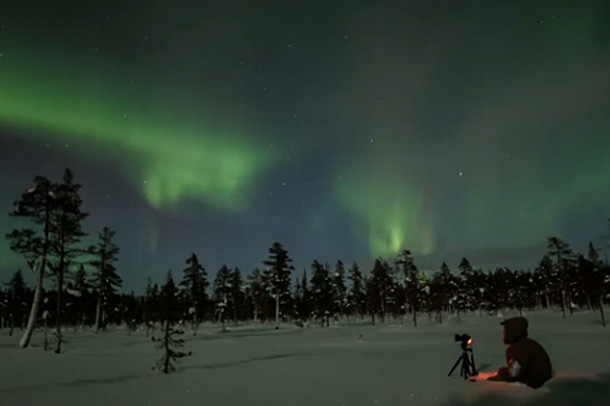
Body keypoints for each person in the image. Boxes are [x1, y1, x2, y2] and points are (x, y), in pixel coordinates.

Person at [487, 316, 553, 389]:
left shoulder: (518, 348)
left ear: (512, 332)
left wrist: (502, 372)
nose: (503, 333)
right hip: (537, 381)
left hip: (532, 385)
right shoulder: (527, 344)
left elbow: (514, 373)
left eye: (505, 330)